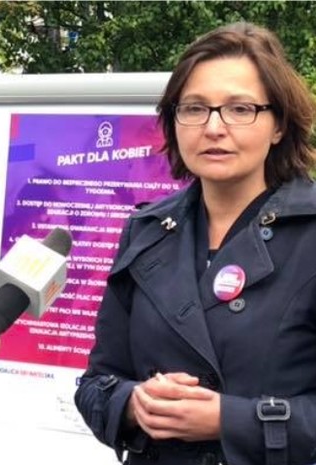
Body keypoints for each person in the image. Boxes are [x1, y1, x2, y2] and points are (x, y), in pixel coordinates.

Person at [75, 22, 316, 465]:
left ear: (279, 125)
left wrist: (231, 421)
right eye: (194, 108)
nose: (214, 127)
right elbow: (97, 382)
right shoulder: (145, 232)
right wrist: (133, 405)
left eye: (240, 109)